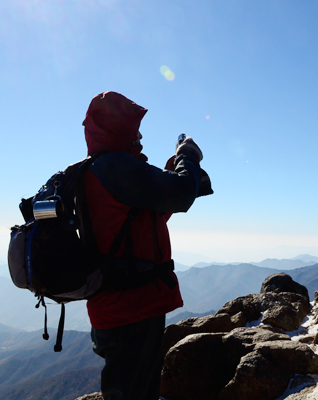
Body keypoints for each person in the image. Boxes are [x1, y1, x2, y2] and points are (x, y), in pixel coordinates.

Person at [82, 91, 212, 399]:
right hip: (131, 308)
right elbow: (180, 195)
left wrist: (170, 174)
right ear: (117, 127)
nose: (139, 135)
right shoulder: (115, 167)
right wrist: (188, 156)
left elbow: (142, 221)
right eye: (133, 126)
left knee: (132, 390)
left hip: (117, 305)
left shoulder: (100, 170)